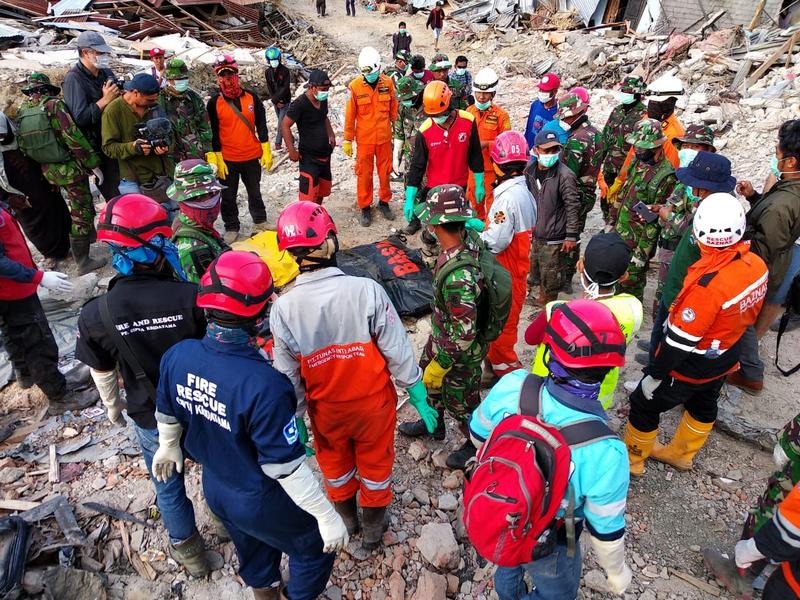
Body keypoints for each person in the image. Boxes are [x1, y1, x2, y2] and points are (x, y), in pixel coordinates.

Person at [152, 250, 347, 599]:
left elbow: (166, 410)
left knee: (251, 544)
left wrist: (167, 445)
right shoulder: (265, 386)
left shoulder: (178, 355)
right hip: (259, 493)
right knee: (314, 547)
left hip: (216, 485)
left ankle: (265, 592)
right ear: (259, 315)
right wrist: (325, 515)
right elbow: (286, 468)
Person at [270, 202, 435, 549]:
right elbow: (396, 348)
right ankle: (373, 531)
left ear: (291, 254)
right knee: (376, 466)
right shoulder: (366, 291)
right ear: (331, 240)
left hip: (327, 411)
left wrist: (296, 417)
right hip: (374, 406)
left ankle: (347, 522)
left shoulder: (283, 308)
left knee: (335, 466)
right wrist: (416, 389)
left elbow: (287, 375)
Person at [76, 193, 211, 576]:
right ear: (155, 245)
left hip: (148, 415)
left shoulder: (96, 315)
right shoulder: (192, 297)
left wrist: (113, 408)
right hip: (201, 408)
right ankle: (222, 523)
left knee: (167, 485)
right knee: (216, 469)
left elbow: (103, 372)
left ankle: (191, 554)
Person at [469, 300, 632, 599]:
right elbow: (606, 531)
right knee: (558, 593)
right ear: (608, 370)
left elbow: (478, 435)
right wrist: (616, 572)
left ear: (549, 354)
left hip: (507, 510)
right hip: (554, 537)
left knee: (508, 559)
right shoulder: (608, 452)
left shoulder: (514, 385)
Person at [624, 193, 768, 476]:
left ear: (699, 235)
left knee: (643, 402)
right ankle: (681, 455)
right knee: (704, 403)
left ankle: (633, 460)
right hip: (726, 355)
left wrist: (655, 373)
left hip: (692, 364)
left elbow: (679, 343)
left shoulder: (707, 286)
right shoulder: (756, 266)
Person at [399, 185, 489, 470]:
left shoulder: (459, 277)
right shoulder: (463, 241)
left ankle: (475, 444)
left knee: (462, 401)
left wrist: (443, 364)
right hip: (441, 336)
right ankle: (434, 423)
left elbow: (465, 333)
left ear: (438, 225)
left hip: (459, 352)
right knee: (427, 380)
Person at [526, 232, 643, 410]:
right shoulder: (633, 308)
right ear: (624, 276)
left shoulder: (558, 310)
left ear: (580, 265)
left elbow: (530, 337)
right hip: (597, 399)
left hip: (551, 393)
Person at [1, 204, 98, 414]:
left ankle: (27, 375)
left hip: (11, 288)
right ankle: (59, 396)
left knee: (14, 335)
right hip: (12, 291)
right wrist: (38, 277)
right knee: (37, 342)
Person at [643, 152, 735, 367]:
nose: (690, 188)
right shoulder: (709, 203)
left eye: (694, 184)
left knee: (671, 330)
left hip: (685, 288)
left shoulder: (719, 213)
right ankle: (655, 354)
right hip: (678, 280)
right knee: (662, 327)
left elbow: (692, 234)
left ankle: (655, 368)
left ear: (705, 187)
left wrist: (668, 216)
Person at [729, 119, 800, 396]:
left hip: (759, 266)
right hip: (769, 260)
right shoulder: (788, 189)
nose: (775, 152)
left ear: (791, 161)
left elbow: (764, 246)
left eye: (779, 150)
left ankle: (750, 373)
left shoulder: (783, 204)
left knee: (741, 316)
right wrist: (755, 197)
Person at [17, 73, 106, 274]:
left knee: (70, 207)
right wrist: (93, 163)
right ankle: (83, 261)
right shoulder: (54, 106)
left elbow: (23, 145)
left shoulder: (23, 111)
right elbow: (72, 137)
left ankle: (86, 241)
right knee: (82, 210)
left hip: (47, 170)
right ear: (47, 89)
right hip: (69, 169)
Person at [481, 131, 535, 379]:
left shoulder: (507, 199)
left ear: (496, 164)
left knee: (503, 327)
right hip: (517, 269)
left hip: (507, 272)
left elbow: (496, 242)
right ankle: (494, 366)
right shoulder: (525, 190)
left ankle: (508, 375)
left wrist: (474, 237)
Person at [649, 127, 717, 319]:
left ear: (708, 151)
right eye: (685, 146)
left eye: (694, 147)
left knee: (679, 299)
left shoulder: (711, 187)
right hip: (669, 249)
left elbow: (698, 226)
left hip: (687, 254)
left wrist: (668, 216)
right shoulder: (684, 177)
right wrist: (660, 209)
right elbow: (675, 205)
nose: (688, 151)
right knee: (663, 295)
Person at [206, 55, 272, 244]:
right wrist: (216, 155)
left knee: (255, 191)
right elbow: (213, 131)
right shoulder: (214, 103)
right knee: (228, 196)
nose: (227, 79)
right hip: (228, 159)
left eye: (231, 74)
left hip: (251, 155)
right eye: (223, 75)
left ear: (237, 74)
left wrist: (266, 146)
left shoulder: (252, 97)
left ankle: (260, 221)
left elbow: (261, 123)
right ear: (218, 78)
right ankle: (231, 226)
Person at [404, 82, 485, 234]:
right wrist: (410, 198)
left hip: (460, 188)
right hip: (435, 191)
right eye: (433, 116)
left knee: (459, 231)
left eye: (439, 114)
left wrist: (480, 184)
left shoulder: (468, 121)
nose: (437, 118)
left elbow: (475, 155)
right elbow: (417, 167)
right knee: (436, 233)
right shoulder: (425, 131)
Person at [612, 118, 678, 302]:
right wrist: (611, 221)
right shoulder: (637, 162)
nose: (637, 150)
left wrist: (641, 255)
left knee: (630, 286)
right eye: (636, 146)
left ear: (657, 147)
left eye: (642, 148)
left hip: (638, 242)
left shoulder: (665, 176)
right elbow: (624, 192)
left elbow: (654, 222)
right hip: (619, 233)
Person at [0, 112, 70, 263]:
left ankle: (67, 246)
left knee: (51, 206)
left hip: (31, 171)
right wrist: (7, 198)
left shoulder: (13, 132)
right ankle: (51, 253)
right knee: (29, 217)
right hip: (10, 185)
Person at [607, 74, 685, 205]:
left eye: (655, 103)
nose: (651, 107)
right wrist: (620, 180)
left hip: (650, 192)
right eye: (651, 103)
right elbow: (633, 153)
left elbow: (669, 174)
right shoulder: (647, 120)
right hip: (634, 181)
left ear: (669, 104)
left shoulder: (674, 135)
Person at [523, 129, 580, 306]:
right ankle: (541, 300)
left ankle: (548, 307)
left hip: (555, 237)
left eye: (555, 150)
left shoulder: (565, 175)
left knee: (552, 278)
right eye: (546, 150)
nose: (551, 154)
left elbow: (572, 206)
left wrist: (571, 235)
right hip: (535, 234)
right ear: (536, 150)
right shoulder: (529, 171)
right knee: (537, 272)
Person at [62, 30, 121, 200]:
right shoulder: (74, 79)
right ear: (86, 53)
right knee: (114, 194)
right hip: (98, 148)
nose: (103, 56)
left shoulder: (105, 72)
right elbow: (80, 118)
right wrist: (105, 100)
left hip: (115, 139)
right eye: (99, 52)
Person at [343, 47, 397, 227]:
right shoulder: (355, 87)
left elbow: (394, 110)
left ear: (379, 67)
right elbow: (350, 115)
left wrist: (399, 135)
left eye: (373, 73)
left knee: (385, 172)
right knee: (364, 174)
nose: (370, 76)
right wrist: (347, 139)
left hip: (384, 138)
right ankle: (365, 206)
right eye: (367, 74)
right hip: (364, 139)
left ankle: (384, 201)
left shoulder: (388, 83)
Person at [555, 91, 602, 293]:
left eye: (565, 117)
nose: (563, 121)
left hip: (573, 195)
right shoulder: (596, 134)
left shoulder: (576, 141)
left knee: (566, 234)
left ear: (575, 114)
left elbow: (568, 175)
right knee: (576, 233)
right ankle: (568, 277)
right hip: (589, 193)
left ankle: (562, 277)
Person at [101, 73, 174, 201]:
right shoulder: (113, 112)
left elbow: (171, 136)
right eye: (149, 100)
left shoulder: (155, 106)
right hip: (133, 179)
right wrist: (134, 147)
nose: (154, 102)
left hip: (163, 175)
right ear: (135, 93)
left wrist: (166, 147)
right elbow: (108, 148)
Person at [168, 159, 228, 283]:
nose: (215, 198)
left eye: (215, 193)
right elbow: (205, 289)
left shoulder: (185, 219)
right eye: (211, 193)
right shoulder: (194, 249)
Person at [283, 70, 336, 204]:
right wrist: (291, 150)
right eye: (323, 89)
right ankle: (307, 215)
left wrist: (331, 135)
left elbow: (324, 117)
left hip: (325, 155)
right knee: (308, 195)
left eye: (327, 89)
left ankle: (317, 212)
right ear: (312, 88)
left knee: (323, 190)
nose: (326, 92)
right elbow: (285, 125)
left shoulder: (322, 100)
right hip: (309, 158)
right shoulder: (299, 104)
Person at [598, 75, 647, 222]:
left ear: (637, 93)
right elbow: (605, 136)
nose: (625, 93)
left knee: (625, 201)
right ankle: (607, 222)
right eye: (623, 90)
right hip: (610, 166)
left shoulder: (644, 114)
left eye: (628, 91)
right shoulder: (617, 111)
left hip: (628, 169)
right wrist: (598, 163)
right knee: (606, 199)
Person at [465, 68, 511, 221]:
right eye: (478, 92)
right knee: (474, 204)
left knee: (493, 206)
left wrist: (487, 144)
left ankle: (491, 231)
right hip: (472, 169)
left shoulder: (501, 116)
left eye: (485, 93)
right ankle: (477, 230)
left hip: (492, 170)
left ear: (493, 94)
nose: (481, 96)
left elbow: (506, 143)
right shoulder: (468, 112)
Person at [157, 59, 213, 164]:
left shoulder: (194, 98)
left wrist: (209, 152)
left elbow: (205, 127)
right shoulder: (160, 100)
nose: (183, 81)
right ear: (169, 79)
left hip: (196, 156)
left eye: (185, 78)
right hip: (172, 159)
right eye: (179, 79)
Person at [392, 76, 426, 233]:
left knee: (430, 189)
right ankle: (414, 221)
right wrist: (396, 156)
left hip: (429, 158)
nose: (405, 101)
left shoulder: (429, 105)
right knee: (411, 187)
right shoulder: (402, 107)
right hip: (410, 158)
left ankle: (434, 225)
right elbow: (399, 131)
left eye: (408, 98)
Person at [264, 47, 292, 152]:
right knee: (282, 121)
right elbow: (270, 87)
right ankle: (291, 138)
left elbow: (285, 87)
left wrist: (279, 100)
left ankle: (278, 142)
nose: (274, 62)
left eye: (275, 60)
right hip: (276, 101)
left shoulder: (285, 71)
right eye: (271, 60)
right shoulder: (268, 72)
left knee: (281, 123)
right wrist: (275, 101)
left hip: (285, 100)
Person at [524, 72, 560, 150]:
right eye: (540, 89)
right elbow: (528, 129)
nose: (541, 92)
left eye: (545, 90)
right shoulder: (535, 105)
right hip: (529, 149)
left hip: (545, 152)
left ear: (555, 92)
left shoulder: (558, 112)